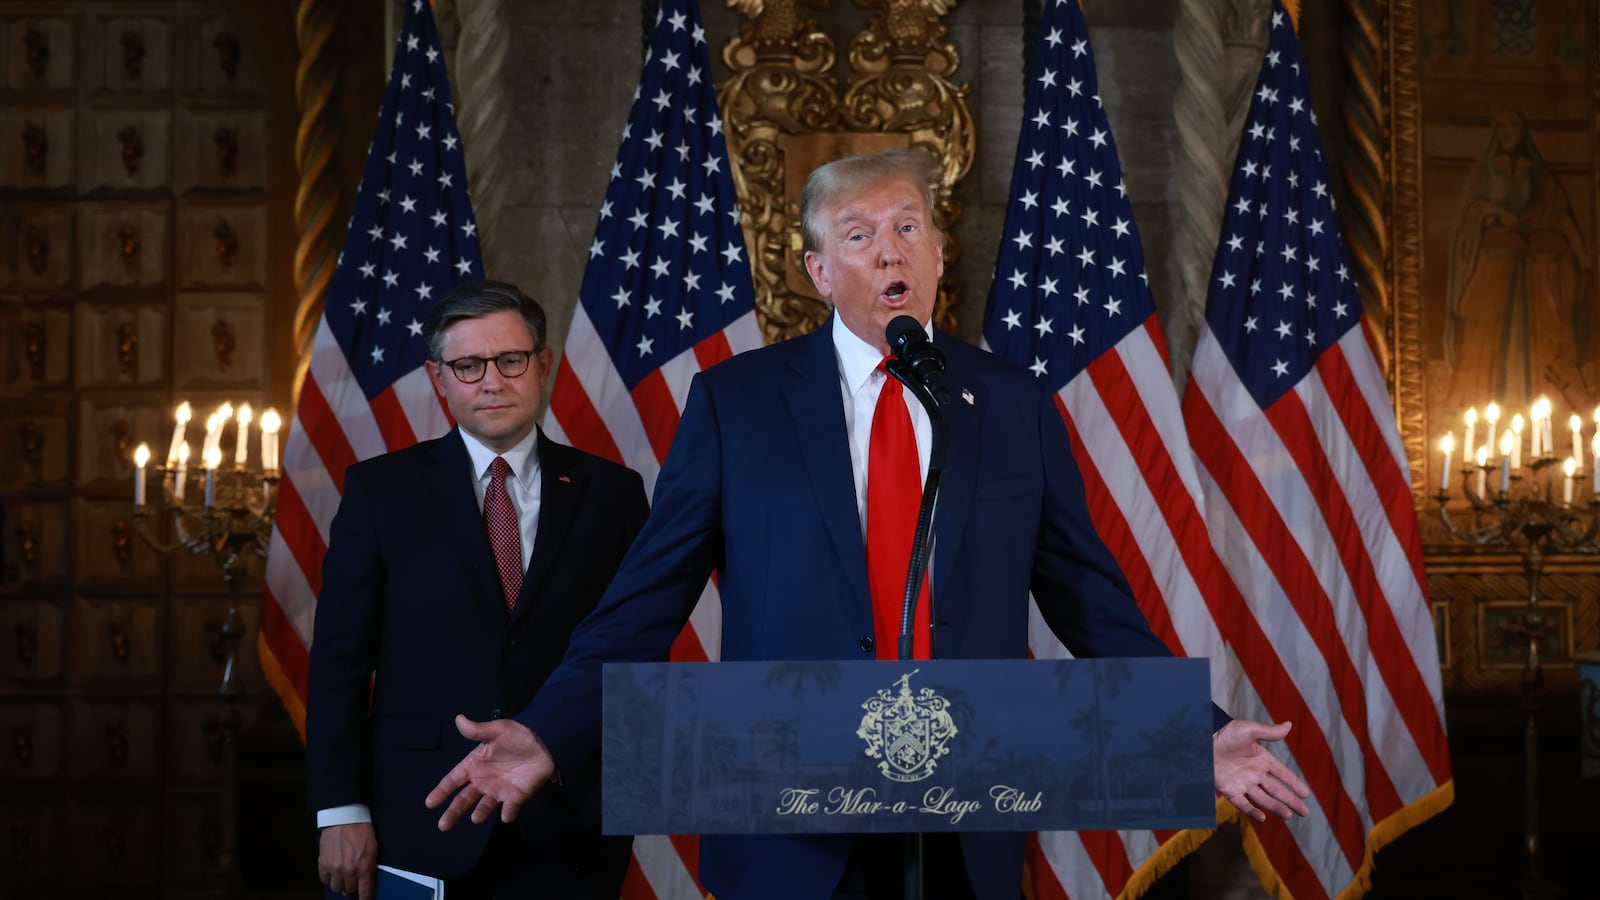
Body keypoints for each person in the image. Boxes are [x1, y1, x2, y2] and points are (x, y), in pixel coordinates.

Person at [425, 151, 1310, 899]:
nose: (892, 250)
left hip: (970, 806)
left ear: (935, 252)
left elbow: (1087, 597)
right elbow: (644, 601)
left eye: (908, 228)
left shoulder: (1010, 404)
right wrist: (550, 726)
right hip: (794, 818)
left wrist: (1195, 726)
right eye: (860, 235)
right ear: (817, 270)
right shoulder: (738, 403)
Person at [306, 281, 649, 899]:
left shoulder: (614, 494)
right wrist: (340, 809)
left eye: (510, 360)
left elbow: (633, 653)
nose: (492, 381)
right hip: (417, 814)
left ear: (542, 365)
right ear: (440, 379)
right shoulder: (381, 493)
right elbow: (339, 663)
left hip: (571, 821)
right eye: (468, 365)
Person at [1445, 108, 1591, 413]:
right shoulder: (1485, 173)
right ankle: (1482, 404)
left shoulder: (1539, 175)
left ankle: (1537, 404)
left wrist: (1579, 251)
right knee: (1490, 339)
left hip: (1530, 274)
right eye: (1500, 127)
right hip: (1492, 269)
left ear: (1522, 131)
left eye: (1512, 125)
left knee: (1530, 338)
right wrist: (1493, 214)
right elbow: (1470, 217)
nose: (1506, 132)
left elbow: (1558, 214)